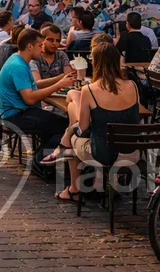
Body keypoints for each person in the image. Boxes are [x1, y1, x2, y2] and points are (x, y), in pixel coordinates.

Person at [44, 43, 141, 202]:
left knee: (74, 139)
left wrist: (70, 129)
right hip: (131, 153)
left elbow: (83, 128)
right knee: (94, 133)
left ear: (95, 63)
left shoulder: (89, 90)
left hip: (103, 154)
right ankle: (105, 179)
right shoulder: (133, 86)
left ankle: (74, 189)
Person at [0, 28, 75, 157]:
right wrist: (58, 85)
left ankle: (45, 158)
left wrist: (60, 79)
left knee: (54, 123)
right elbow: (30, 99)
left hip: (15, 112)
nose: (42, 49)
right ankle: (41, 160)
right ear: (30, 46)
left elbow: (33, 85)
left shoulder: (17, 59)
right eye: (40, 45)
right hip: (16, 116)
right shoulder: (19, 66)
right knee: (65, 126)